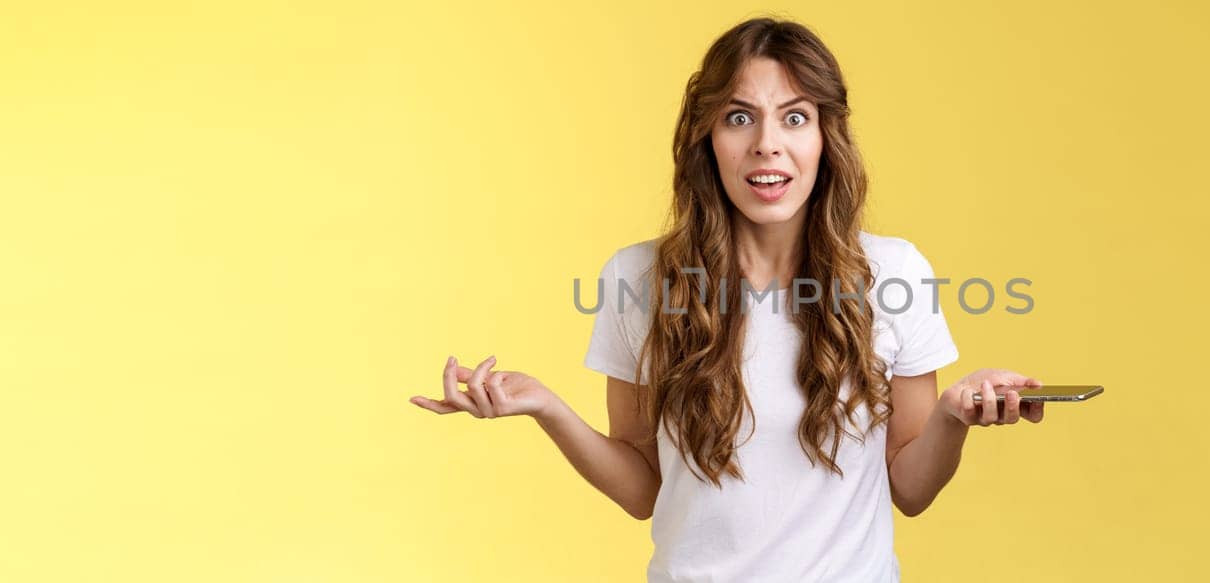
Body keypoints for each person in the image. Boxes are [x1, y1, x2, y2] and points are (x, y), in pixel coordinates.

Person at [409, 16, 1047, 582]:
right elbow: (643, 489)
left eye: (795, 117)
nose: (767, 142)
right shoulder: (639, 279)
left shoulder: (894, 272)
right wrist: (548, 408)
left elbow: (908, 487)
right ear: (707, 137)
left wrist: (954, 417)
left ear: (826, 139)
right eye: (739, 117)